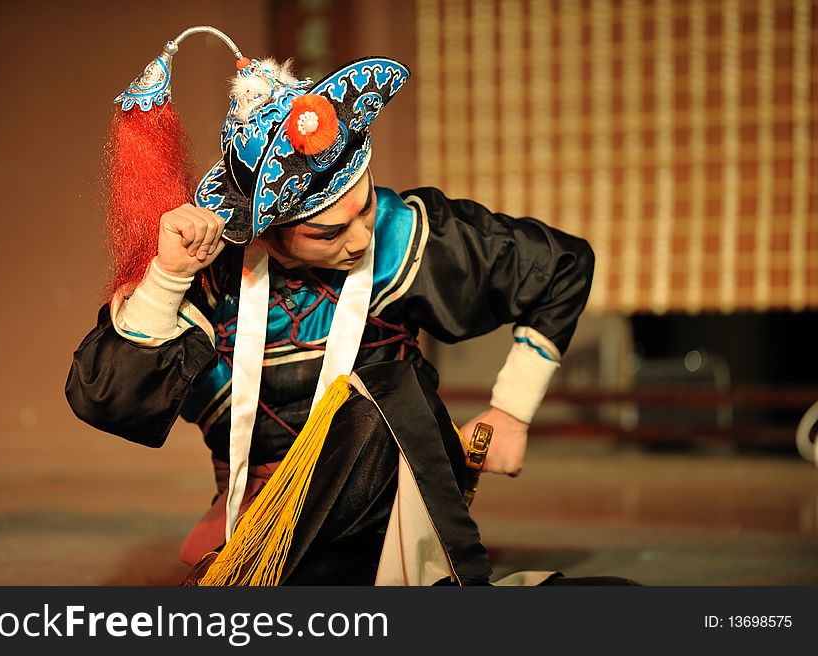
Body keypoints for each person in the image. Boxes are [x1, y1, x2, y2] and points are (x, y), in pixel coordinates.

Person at [65, 27, 600, 586]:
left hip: (385, 503)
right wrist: (167, 276)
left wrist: (511, 410)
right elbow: (106, 399)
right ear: (266, 232)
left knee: (383, 400)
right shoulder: (211, 279)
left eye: (364, 206)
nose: (361, 239)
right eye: (328, 232)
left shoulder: (400, 233)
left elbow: (560, 265)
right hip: (261, 525)